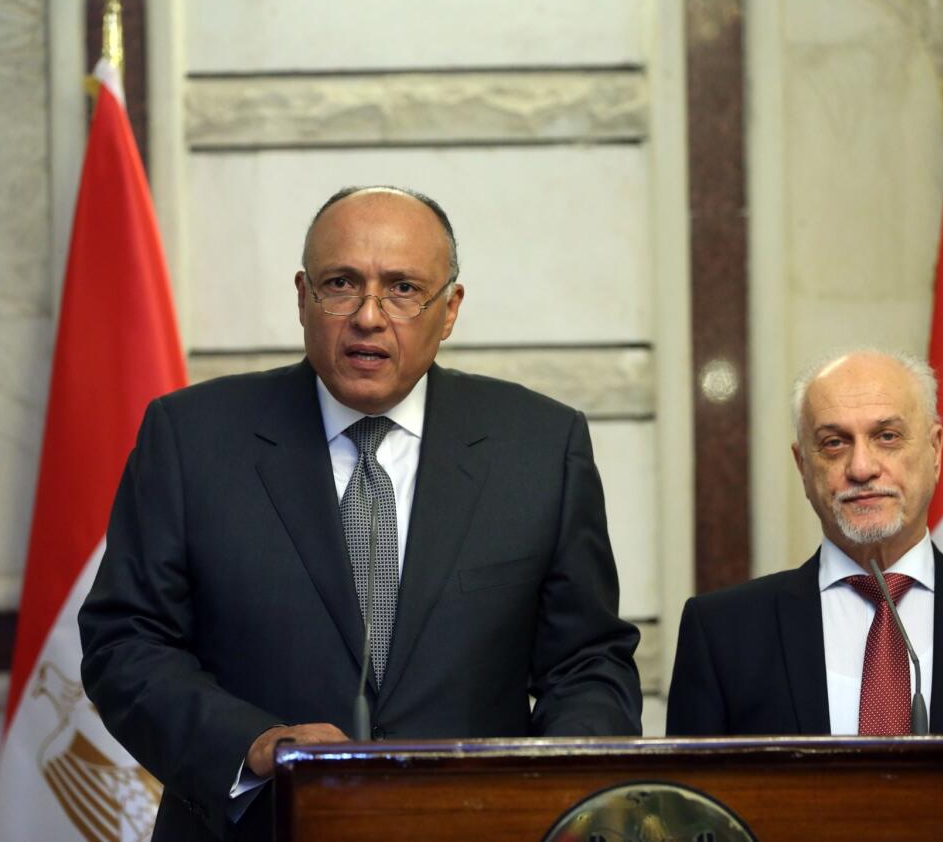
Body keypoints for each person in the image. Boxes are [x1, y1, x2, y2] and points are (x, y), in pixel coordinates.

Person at [80, 186, 642, 842]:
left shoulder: (540, 446)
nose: (369, 316)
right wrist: (255, 744)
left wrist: (553, 788)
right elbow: (127, 645)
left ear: (450, 309)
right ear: (302, 297)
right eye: (341, 283)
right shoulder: (192, 438)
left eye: (403, 288)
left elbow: (587, 660)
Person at [666, 349, 943, 842]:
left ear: (936, 448)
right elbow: (691, 827)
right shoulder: (722, 634)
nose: (861, 466)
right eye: (834, 443)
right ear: (802, 465)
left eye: (887, 437)